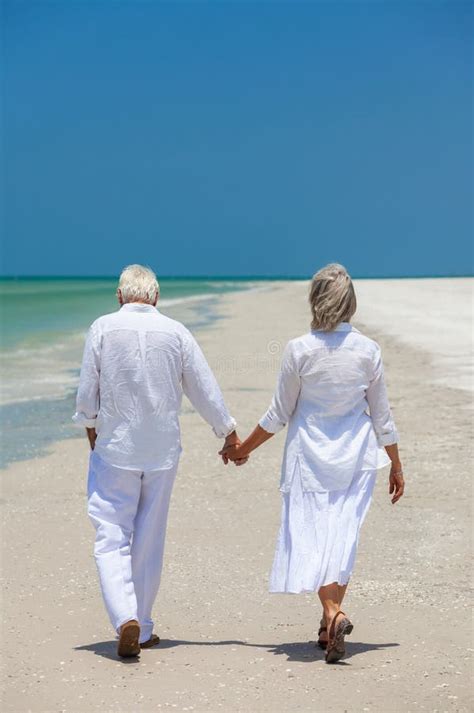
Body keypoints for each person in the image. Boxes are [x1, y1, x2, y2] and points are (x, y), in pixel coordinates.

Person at [220, 263, 404, 663]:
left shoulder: (299, 349)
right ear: (350, 302)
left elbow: (278, 414)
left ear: (315, 300)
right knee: (341, 539)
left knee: (316, 539)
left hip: (309, 459)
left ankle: (331, 614)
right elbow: (382, 415)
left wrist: (242, 449)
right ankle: (328, 626)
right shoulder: (368, 351)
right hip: (356, 459)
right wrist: (395, 462)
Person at [73, 264, 245, 658]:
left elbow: (87, 394)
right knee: (149, 537)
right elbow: (204, 387)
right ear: (156, 297)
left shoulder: (102, 327)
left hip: (116, 449)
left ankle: (124, 618)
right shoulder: (176, 332)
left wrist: (91, 433)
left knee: (111, 533)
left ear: (119, 296)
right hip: (162, 452)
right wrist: (228, 435)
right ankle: (143, 625)